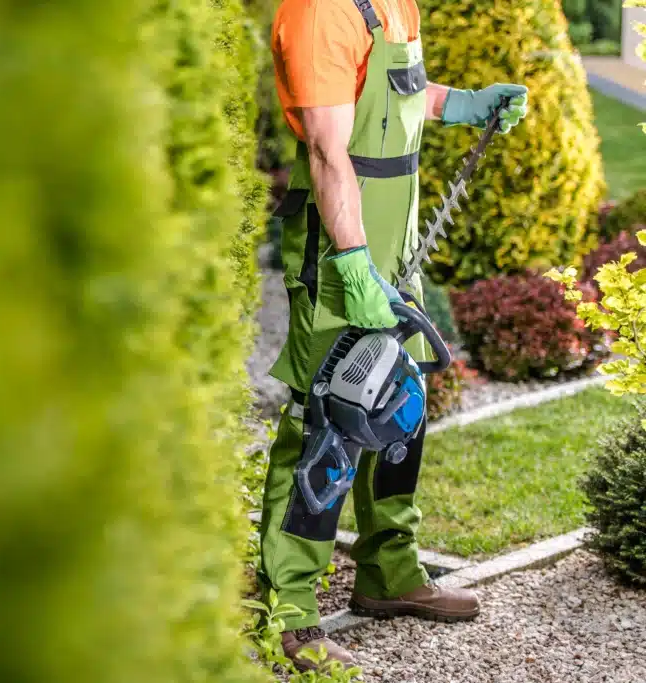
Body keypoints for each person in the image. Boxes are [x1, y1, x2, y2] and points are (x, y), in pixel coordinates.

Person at [263, 0, 528, 670]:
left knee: (397, 409)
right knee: (326, 420)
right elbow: (328, 146)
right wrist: (353, 266)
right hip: (338, 255)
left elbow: (396, 101)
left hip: (395, 248)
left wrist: (464, 105)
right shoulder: (324, 10)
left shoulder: (395, 2)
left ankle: (389, 570)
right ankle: (290, 611)